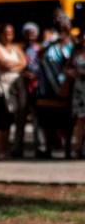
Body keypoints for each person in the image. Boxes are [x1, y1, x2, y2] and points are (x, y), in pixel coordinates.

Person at [36, 10, 74, 159]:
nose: (61, 27)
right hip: (47, 88)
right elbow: (39, 55)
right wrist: (54, 40)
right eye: (59, 24)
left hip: (67, 88)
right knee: (47, 120)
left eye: (64, 24)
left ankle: (68, 149)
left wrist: (68, 35)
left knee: (68, 120)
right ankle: (48, 149)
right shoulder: (49, 42)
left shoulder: (74, 43)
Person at [0, 23, 28, 160]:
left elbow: (25, 63)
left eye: (11, 33)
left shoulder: (16, 48)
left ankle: (6, 150)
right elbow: (1, 64)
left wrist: (11, 66)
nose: (8, 36)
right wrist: (16, 65)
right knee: (0, 122)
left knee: (8, 122)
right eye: (5, 33)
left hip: (12, 92)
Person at [12, 22, 43, 158]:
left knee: (38, 120)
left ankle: (40, 147)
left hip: (37, 88)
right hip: (22, 88)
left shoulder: (40, 50)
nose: (30, 38)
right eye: (27, 35)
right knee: (20, 119)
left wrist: (36, 75)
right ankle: (17, 147)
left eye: (33, 35)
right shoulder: (19, 51)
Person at [66, 37, 85, 159]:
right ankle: (78, 148)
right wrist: (72, 72)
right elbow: (65, 68)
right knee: (80, 119)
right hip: (79, 90)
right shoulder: (76, 53)